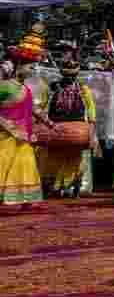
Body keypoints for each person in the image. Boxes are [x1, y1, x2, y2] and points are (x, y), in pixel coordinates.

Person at [1, 24, 54, 207]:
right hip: (5, 136)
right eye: (31, 67)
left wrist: (48, 122)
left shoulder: (25, 89)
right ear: (19, 66)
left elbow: (33, 109)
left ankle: (25, 197)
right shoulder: (4, 86)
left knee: (25, 164)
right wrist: (10, 127)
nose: (33, 71)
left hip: (23, 135)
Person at [39, 57, 98, 197]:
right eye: (67, 75)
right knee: (52, 159)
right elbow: (42, 106)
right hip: (55, 128)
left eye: (73, 75)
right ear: (62, 74)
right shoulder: (52, 87)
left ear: (76, 75)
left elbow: (91, 110)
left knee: (74, 161)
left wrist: (91, 128)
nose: (70, 78)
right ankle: (52, 187)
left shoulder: (83, 89)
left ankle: (71, 187)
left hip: (76, 130)